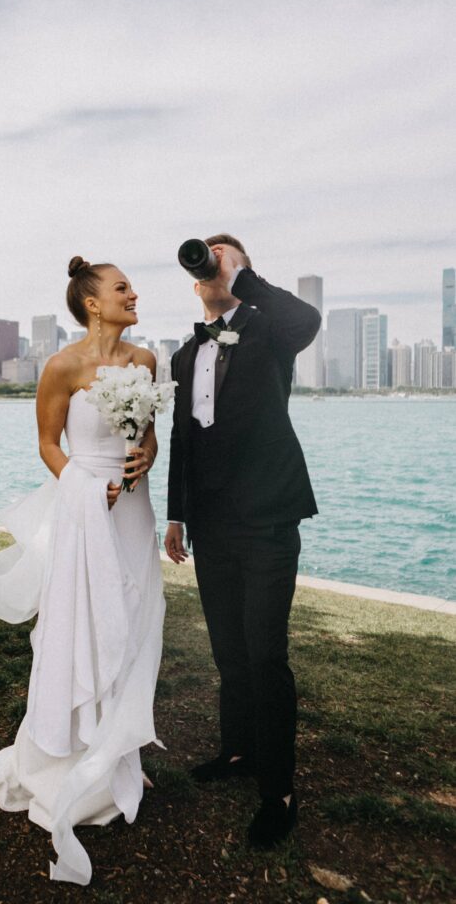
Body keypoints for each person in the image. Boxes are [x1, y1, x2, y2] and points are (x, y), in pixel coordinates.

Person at [0, 257, 165, 885]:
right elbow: (50, 443)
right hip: (86, 508)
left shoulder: (146, 362)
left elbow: (150, 434)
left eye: (132, 287)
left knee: (133, 618)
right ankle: (70, 755)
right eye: (122, 288)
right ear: (91, 303)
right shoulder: (61, 367)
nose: (134, 294)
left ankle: (118, 753)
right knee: (82, 621)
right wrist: (84, 486)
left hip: (133, 512)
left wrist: (145, 459)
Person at [164, 233, 320, 849]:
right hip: (213, 525)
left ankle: (278, 792)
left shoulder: (270, 331)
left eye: (223, 259)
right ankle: (237, 753)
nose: (212, 267)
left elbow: (305, 319)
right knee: (228, 653)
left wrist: (242, 278)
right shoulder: (183, 355)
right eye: (208, 261)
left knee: (265, 656)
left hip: (269, 522)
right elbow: (182, 440)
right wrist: (177, 515)